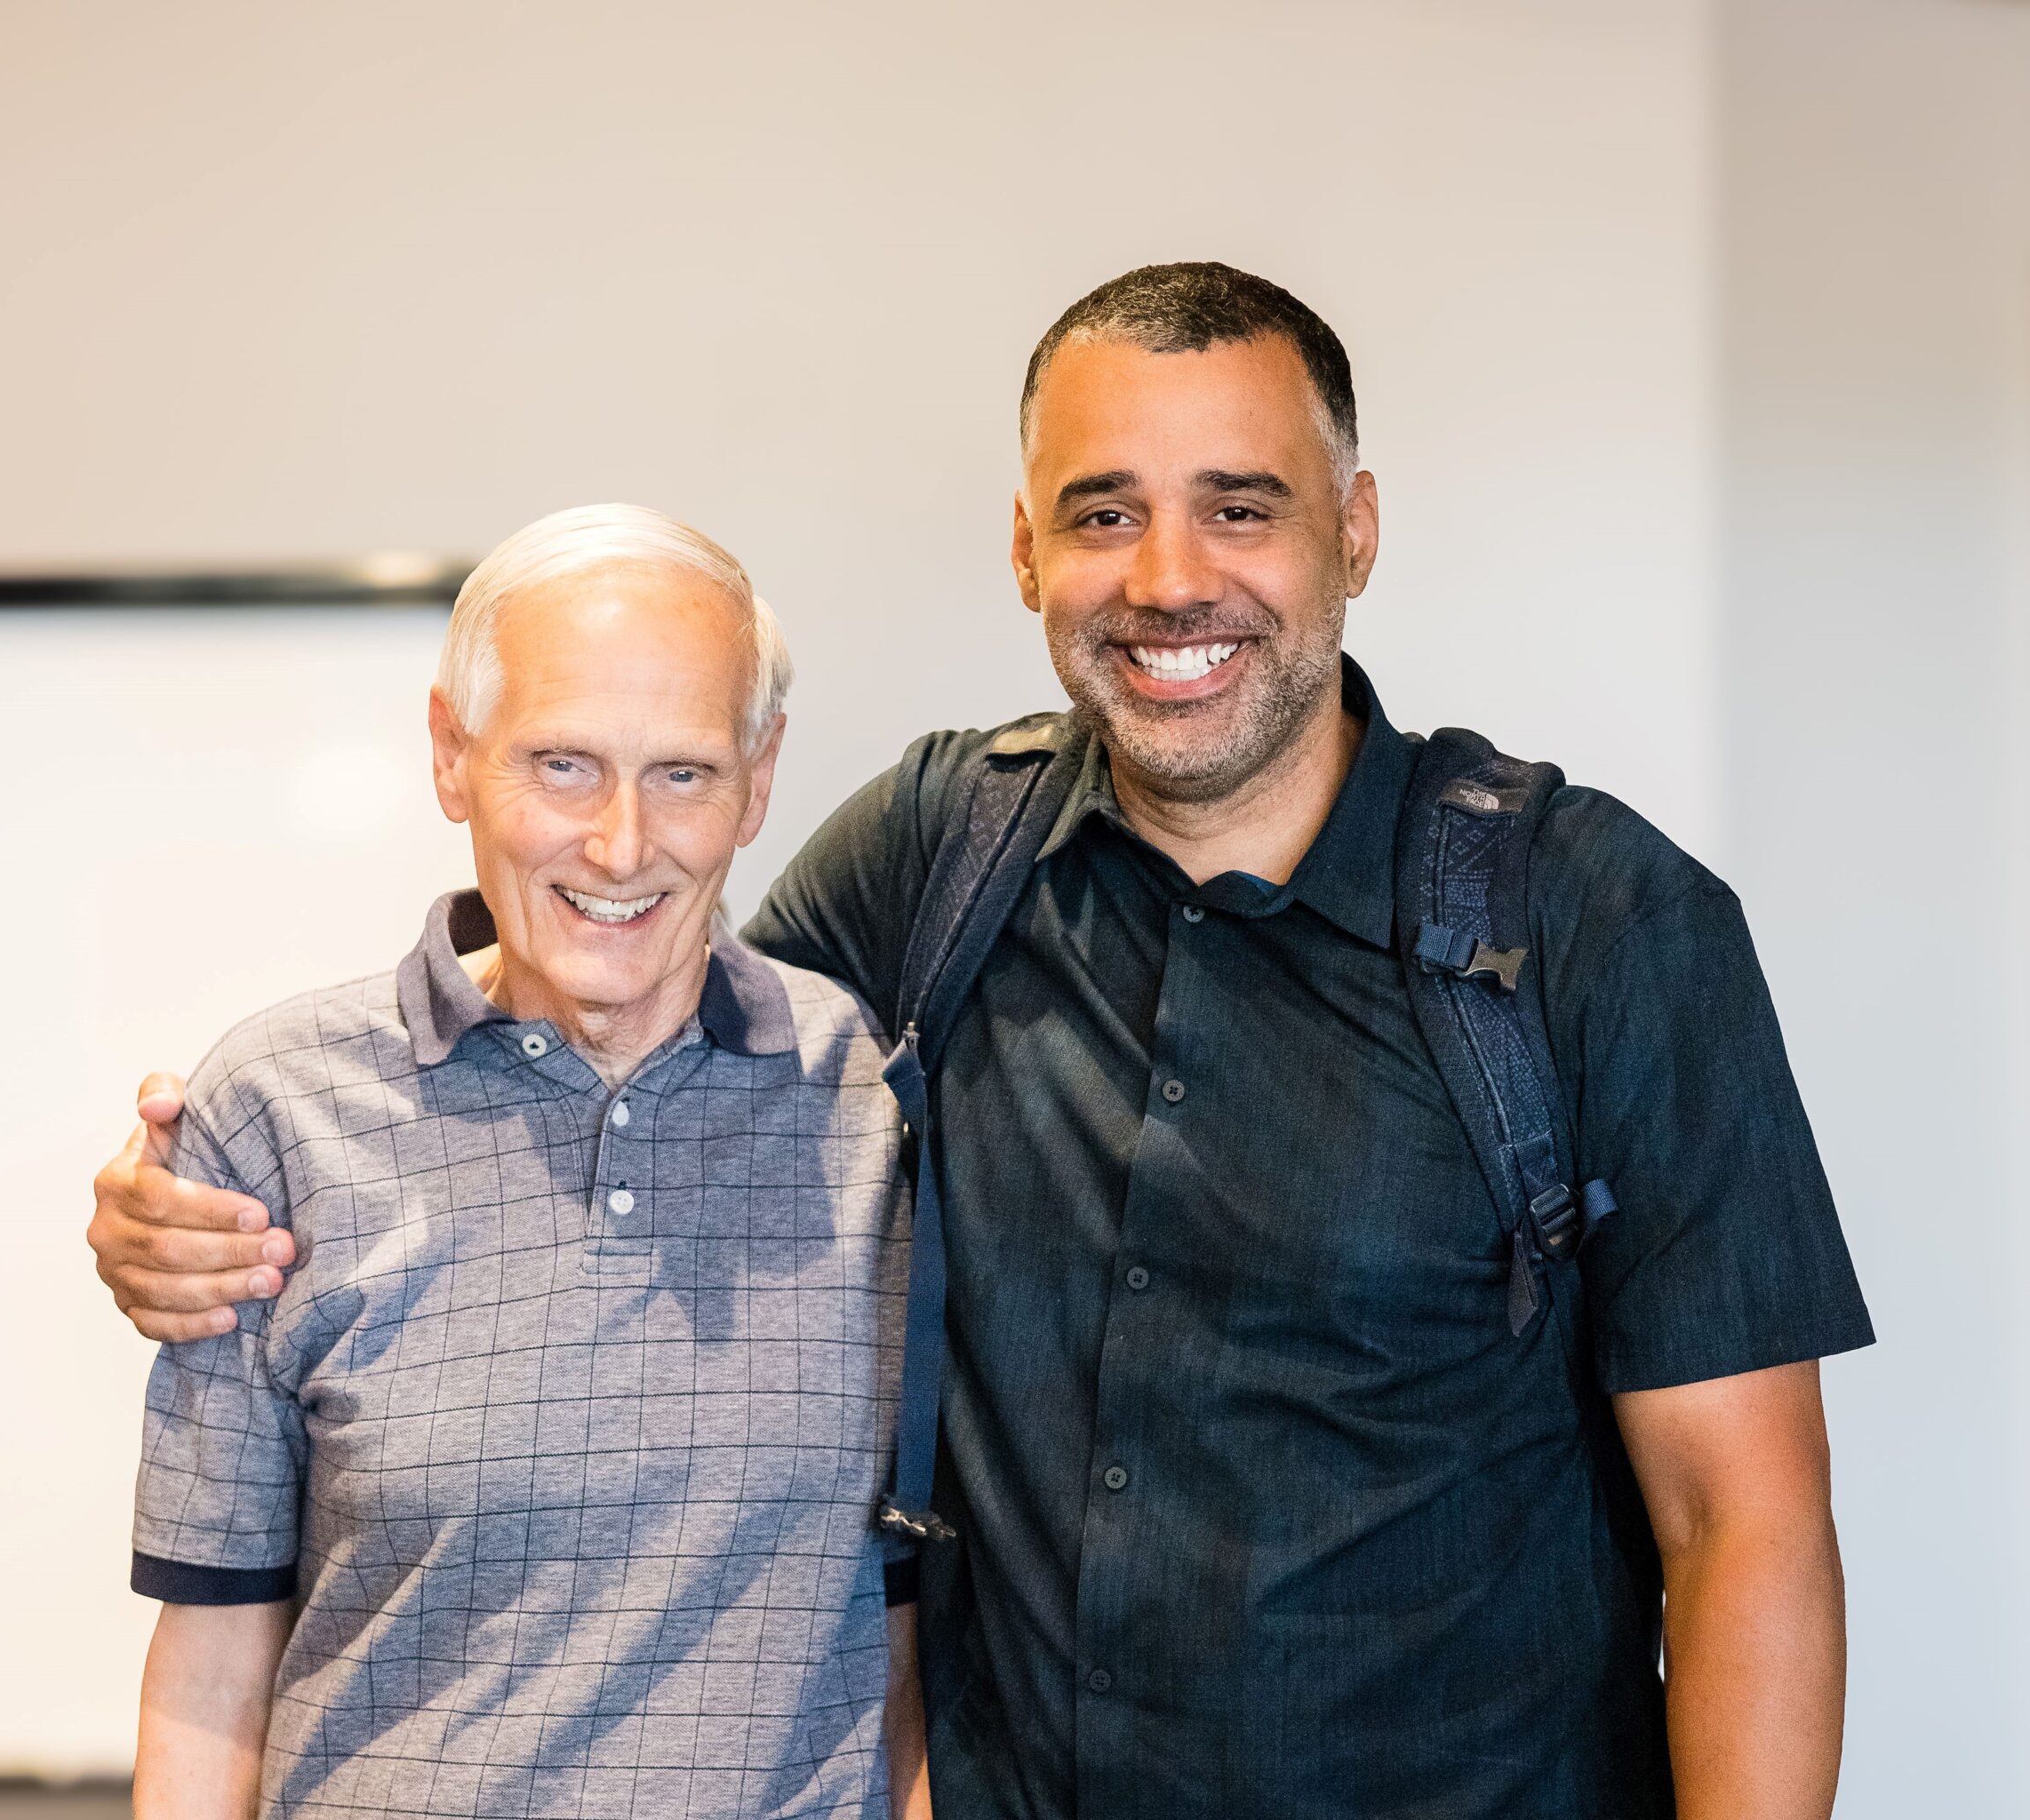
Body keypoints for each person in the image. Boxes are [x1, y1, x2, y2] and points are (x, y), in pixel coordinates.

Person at [95, 266, 1874, 1820]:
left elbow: (1744, 1535)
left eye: (1239, 506)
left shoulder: (1593, 924)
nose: (1168, 578)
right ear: (1024, 544)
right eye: (1100, 512)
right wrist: (216, 1184)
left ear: (1354, 529)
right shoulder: (935, 855)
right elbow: (627, 1008)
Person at [123, 504, 930, 1819]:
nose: (620, 845)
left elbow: (907, 1642)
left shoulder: (869, 1101)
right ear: (453, 755)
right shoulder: (268, 1116)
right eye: (562, 765)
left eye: (685, 773)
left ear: (760, 778)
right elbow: (213, 1660)